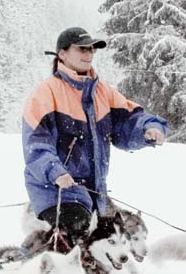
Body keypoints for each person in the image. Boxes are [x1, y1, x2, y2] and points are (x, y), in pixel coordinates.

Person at [22, 27, 167, 242]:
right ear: (62, 54)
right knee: (76, 234)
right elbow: (36, 144)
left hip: (94, 190)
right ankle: (29, 260)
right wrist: (56, 172)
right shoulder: (46, 93)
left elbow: (130, 119)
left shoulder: (102, 92)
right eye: (82, 49)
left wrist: (149, 128)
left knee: (106, 240)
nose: (88, 54)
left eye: (91, 49)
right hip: (56, 190)